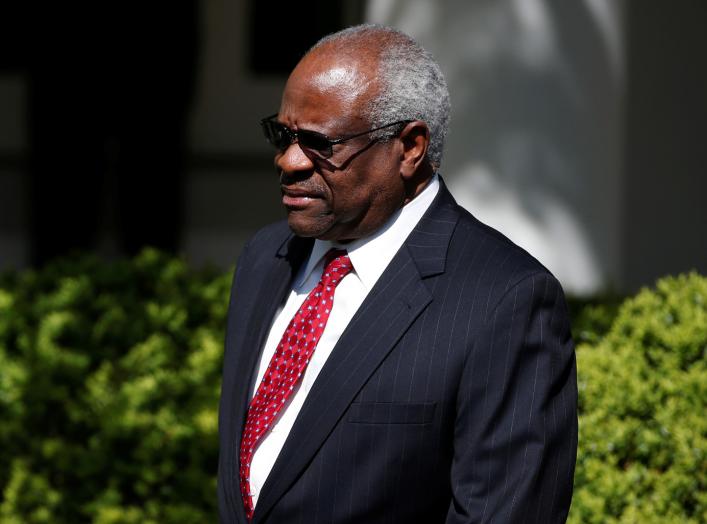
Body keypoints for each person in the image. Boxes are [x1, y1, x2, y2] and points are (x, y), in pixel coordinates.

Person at [218, 24, 577, 524]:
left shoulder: (503, 300)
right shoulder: (265, 257)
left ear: (409, 147)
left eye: (319, 143)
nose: (288, 160)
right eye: (283, 135)